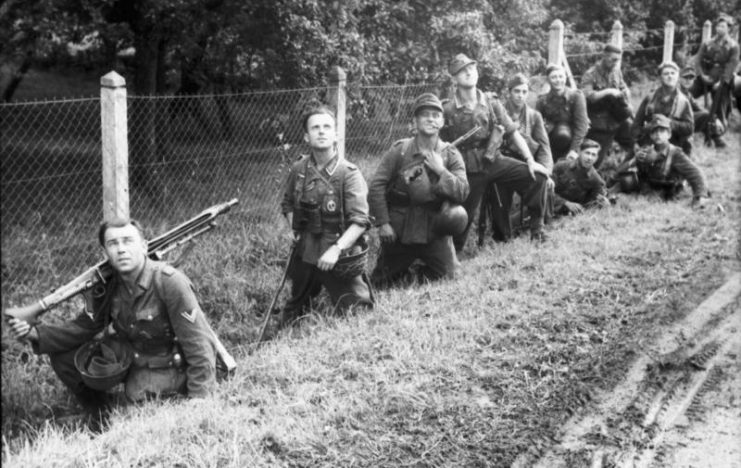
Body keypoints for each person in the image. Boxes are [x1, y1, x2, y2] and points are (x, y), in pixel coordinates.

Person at [6, 218, 219, 429]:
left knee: (134, 423)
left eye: (128, 241)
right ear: (105, 253)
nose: (121, 249)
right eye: (113, 243)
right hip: (129, 357)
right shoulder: (108, 285)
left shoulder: (168, 282)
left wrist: (200, 397)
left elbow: (198, 341)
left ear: (144, 246)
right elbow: (85, 327)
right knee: (64, 357)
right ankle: (100, 413)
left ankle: (128, 409)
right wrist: (36, 334)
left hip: (165, 365)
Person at [440, 54, 550, 248]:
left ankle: (537, 231)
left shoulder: (491, 102)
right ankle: (451, 255)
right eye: (462, 71)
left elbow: (512, 132)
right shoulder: (447, 109)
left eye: (471, 69)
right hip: (466, 169)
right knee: (461, 216)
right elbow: (438, 144)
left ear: (477, 73)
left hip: (493, 160)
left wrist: (530, 160)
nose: (468, 73)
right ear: (454, 78)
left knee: (537, 178)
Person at [279, 104, 374, 326]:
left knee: (358, 314)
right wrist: (295, 230)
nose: (321, 131)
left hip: (339, 254)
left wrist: (336, 250)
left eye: (327, 127)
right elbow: (288, 203)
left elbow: (360, 221)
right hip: (306, 250)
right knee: (293, 313)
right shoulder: (298, 169)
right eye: (315, 128)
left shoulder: (348, 173)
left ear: (336, 134)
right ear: (306, 136)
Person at [368, 93, 469, 287]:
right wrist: (383, 223)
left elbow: (463, 191)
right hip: (400, 230)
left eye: (435, 115)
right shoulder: (400, 150)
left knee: (451, 277)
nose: (431, 119)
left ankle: (418, 271)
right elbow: (377, 186)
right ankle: (403, 268)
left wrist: (441, 169)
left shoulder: (451, 154)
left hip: (434, 229)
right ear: (415, 121)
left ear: (442, 122)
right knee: (380, 283)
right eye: (425, 115)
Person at [618, 114, 710, 205]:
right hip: (646, 190)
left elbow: (695, 173)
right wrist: (633, 160)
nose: (658, 134)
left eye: (662, 131)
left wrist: (700, 195)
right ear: (650, 135)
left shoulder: (675, 153)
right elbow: (619, 171)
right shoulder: (645, 150)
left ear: (669, 134)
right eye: (654, 131)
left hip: (668, 193)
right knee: (625, 184)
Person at [689, 13, 739, 148]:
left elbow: (731, 66)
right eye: (718, 26)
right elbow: (697, 60)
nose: (719, 28)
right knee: (688, 94)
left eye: (723, 26)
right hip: (704, 77)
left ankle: (717, 134)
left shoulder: (733, 46)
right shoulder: (707, 43)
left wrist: (720, 82)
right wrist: (701, 76)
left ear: (729, 29)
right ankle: (688, 122)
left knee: (720, 104)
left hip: (722, 80)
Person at [581, 44, 635, 168]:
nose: (615, 63)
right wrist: (608, 91)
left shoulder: (616, 71)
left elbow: (622, 86)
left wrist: (626, 91)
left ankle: (623, 171)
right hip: (598, 122)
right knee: (595, 160)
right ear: (604, 56)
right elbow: (588, 96)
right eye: (613, 59)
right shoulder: (591, 74)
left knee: (635, 140)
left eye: (618, 60)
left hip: (616, 118)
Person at [632, 61, 694, 155]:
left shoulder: (683, 101)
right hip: (650, 142)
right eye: (666, 73)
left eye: (673, 73)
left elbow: (689, 128)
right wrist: (636, 142)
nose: (670, 76)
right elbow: (636, 123)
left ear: (678, 77)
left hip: (674, 145)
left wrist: (669, 122)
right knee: (624, 167)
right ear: (660, 77)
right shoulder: (650, 98)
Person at [536, 64, 589, 162]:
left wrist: (574, 150)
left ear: (565, 78)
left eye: (561, 76)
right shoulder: (542, 101)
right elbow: (536, 125)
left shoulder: (576, 97)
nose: (558, 80)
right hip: (551, 141)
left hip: (573, 141)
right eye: (554, 77)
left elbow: (582, 125)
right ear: (548, 80)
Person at [551, 139, 609, 216]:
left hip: (566, 215)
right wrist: (565, 203)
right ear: (579, 152)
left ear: (597, 158)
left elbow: (594, 202)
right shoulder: (561, 166)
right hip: (549, 206)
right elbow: (546, 191)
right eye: (587, 153)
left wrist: (605, 203)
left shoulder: (595, 179)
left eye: (593, 155)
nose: (589, 158)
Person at [678, 66, 711, 154]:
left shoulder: (688, 93)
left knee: (706, 114)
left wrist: (714, 118)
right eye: (685, 77)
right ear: (679, 78)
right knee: (705, 115)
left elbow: (698, 108)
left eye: (691, 78)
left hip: (685, 121)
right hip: (676, 122)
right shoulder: (676, 91)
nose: (688, 80)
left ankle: (709, 140)